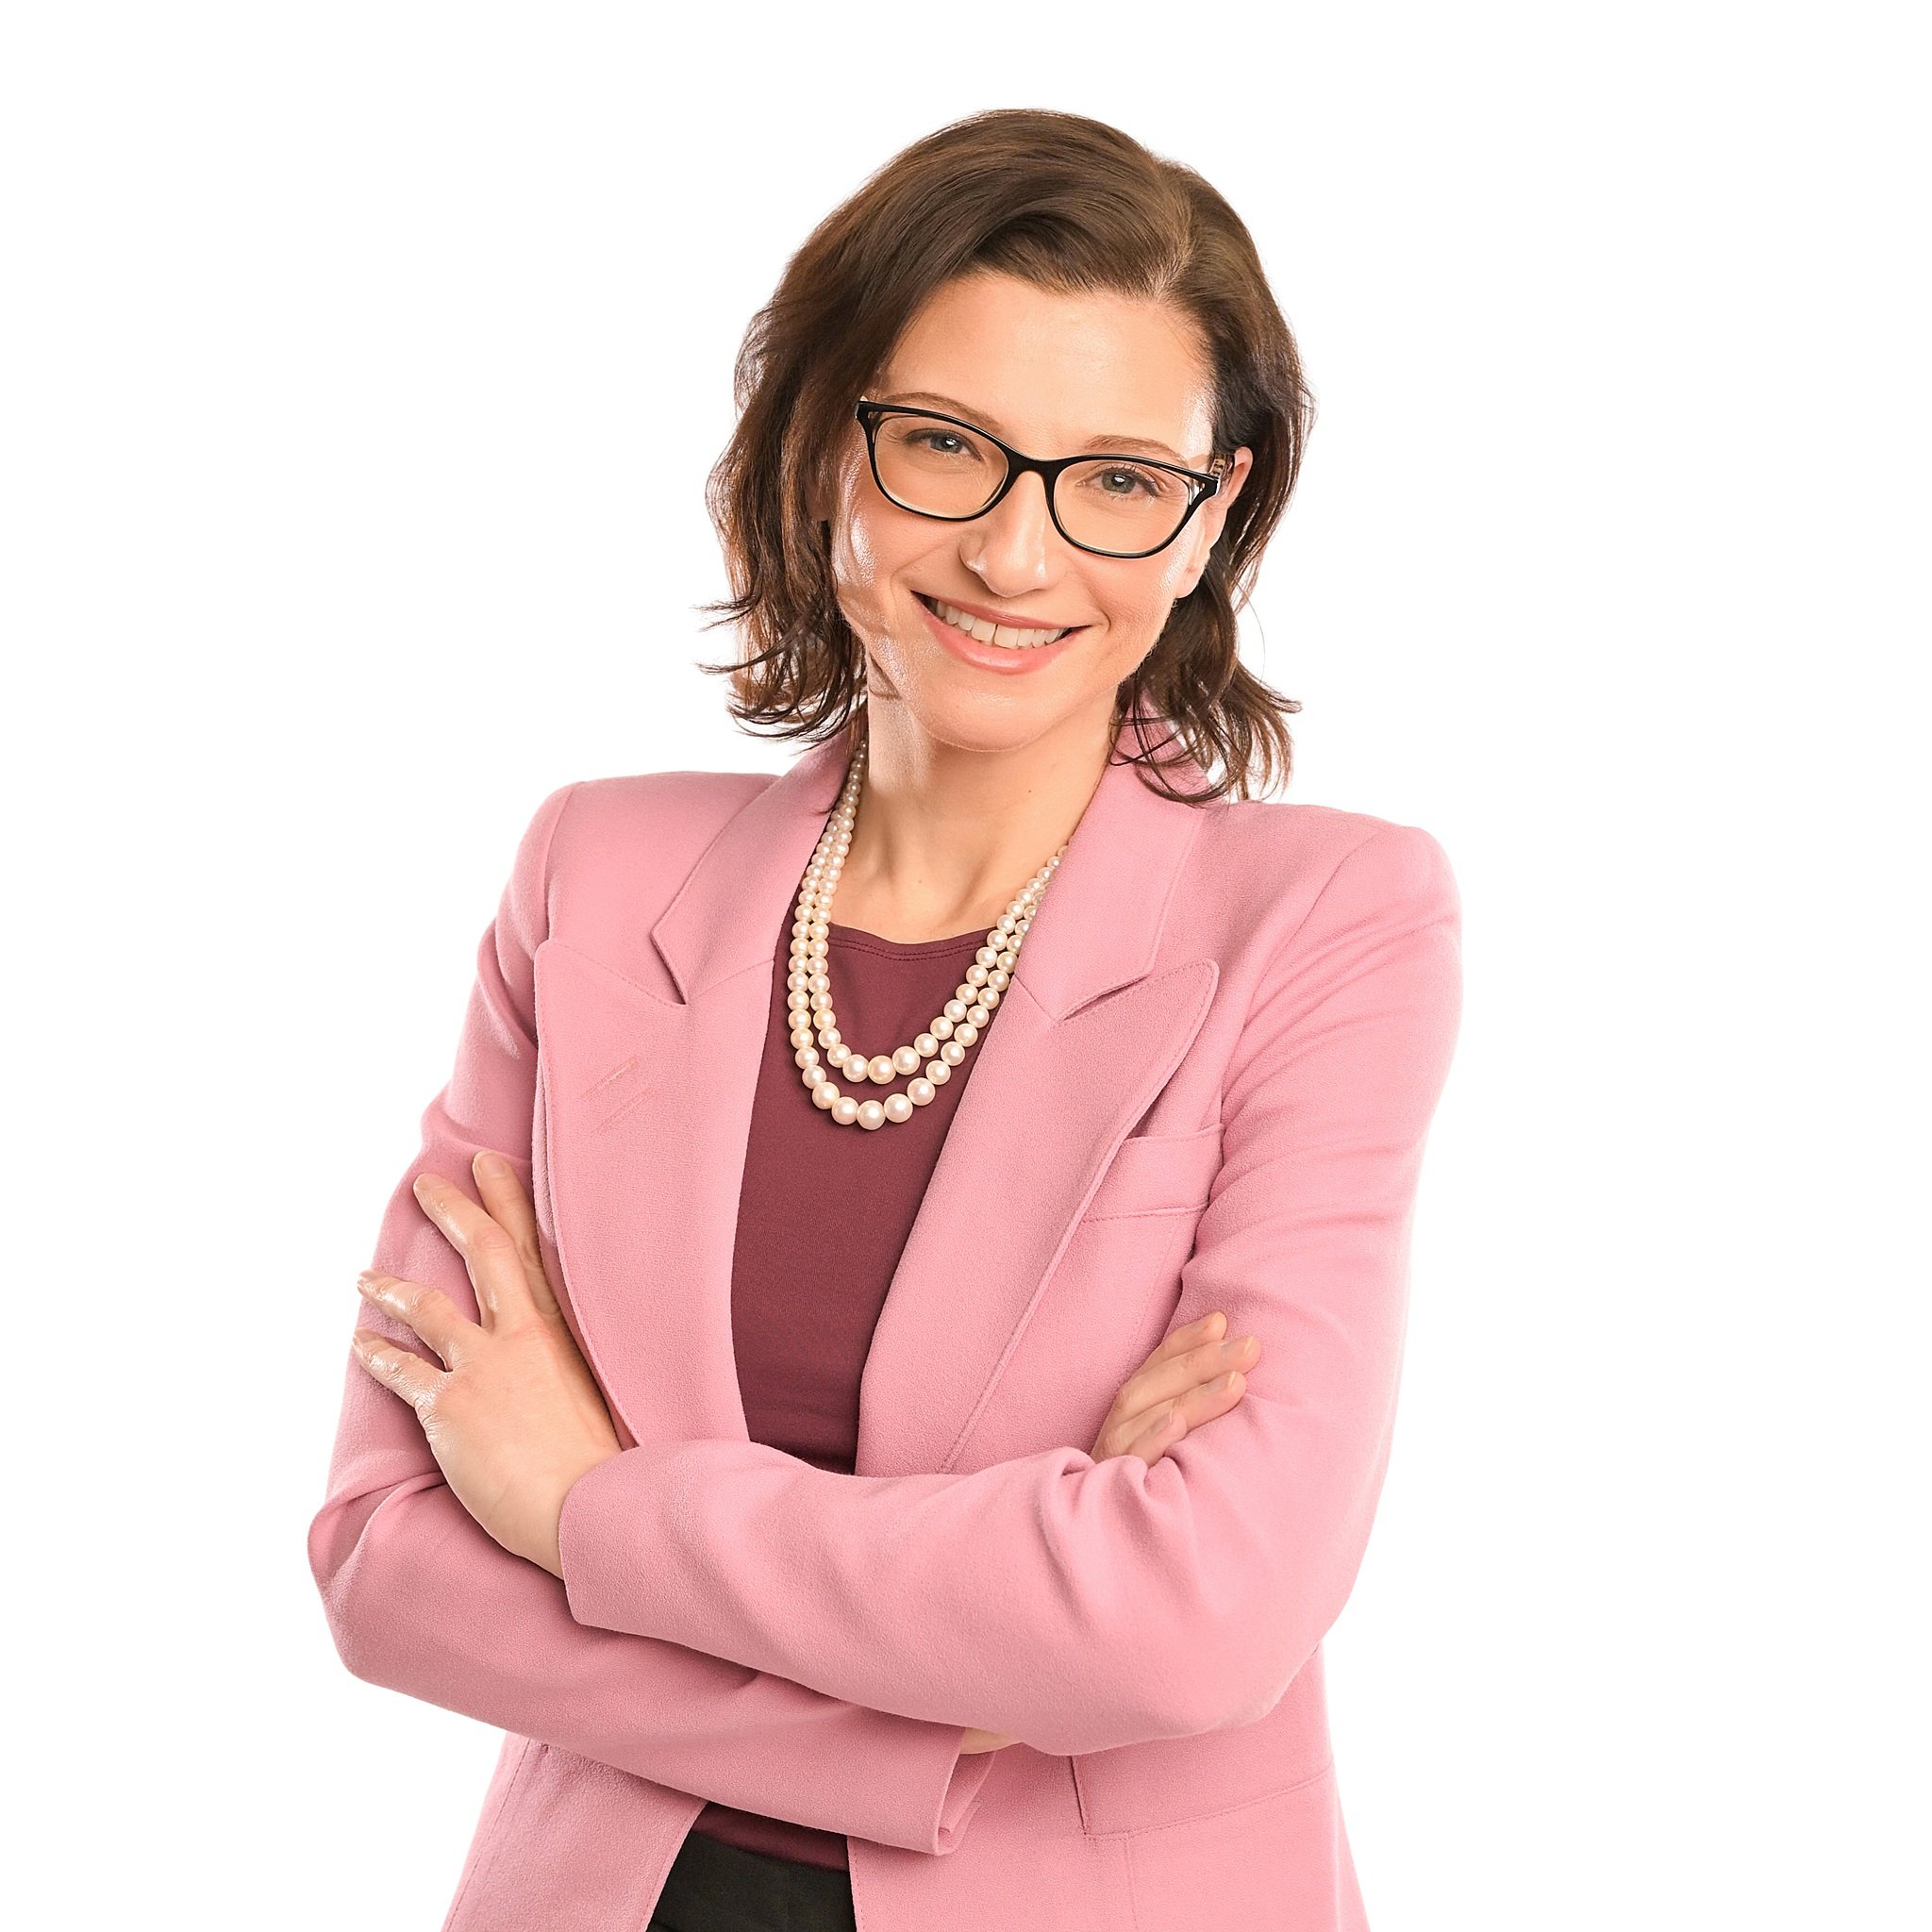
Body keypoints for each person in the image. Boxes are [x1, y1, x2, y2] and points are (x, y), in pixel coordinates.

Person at [306, 107, 1463, 1932]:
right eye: (945, 447)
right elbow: (387, 1560)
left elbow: (1201, 1613)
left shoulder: (1325, 919)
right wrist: (962, 1690)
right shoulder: (595, 879)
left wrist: (591, 1513)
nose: (1018, 556)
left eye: (1114, 478)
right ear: (820, 450)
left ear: (1209, 513)